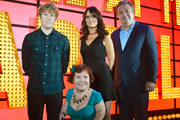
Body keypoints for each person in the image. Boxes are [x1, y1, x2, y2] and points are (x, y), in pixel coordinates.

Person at [22, 3, 70, 120]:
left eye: (52, 15)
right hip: (35, 88)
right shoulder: (30, 38)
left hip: (55, 88)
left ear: (55, 18)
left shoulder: (63, 40)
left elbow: (64, 65)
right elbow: (26, 64)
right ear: (39, 16)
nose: (49, 18)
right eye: (45, 14)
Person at [111, 0, 158, 120]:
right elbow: (114, 59)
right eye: (120, 12)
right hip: (120, 84)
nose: (124, 14)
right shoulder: (114, 34)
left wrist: (151, 79)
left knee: (140, 116)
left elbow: (152, 57)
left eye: (127, 11)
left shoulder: (145, 30)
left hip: (139, 83)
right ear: (118, 16)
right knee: (124, 116)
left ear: (133, 12)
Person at [79, 6, 117, 120]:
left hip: (103, 78)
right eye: (88, 16)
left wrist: (107, 76)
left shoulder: (105, 36)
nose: (91, 19)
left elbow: (112, 58)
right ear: (85, 20)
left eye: (93, 16)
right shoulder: (81, 40)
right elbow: (82, 61)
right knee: (90, 114)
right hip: (88, 80)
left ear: (98, 18)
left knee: (105, 115)